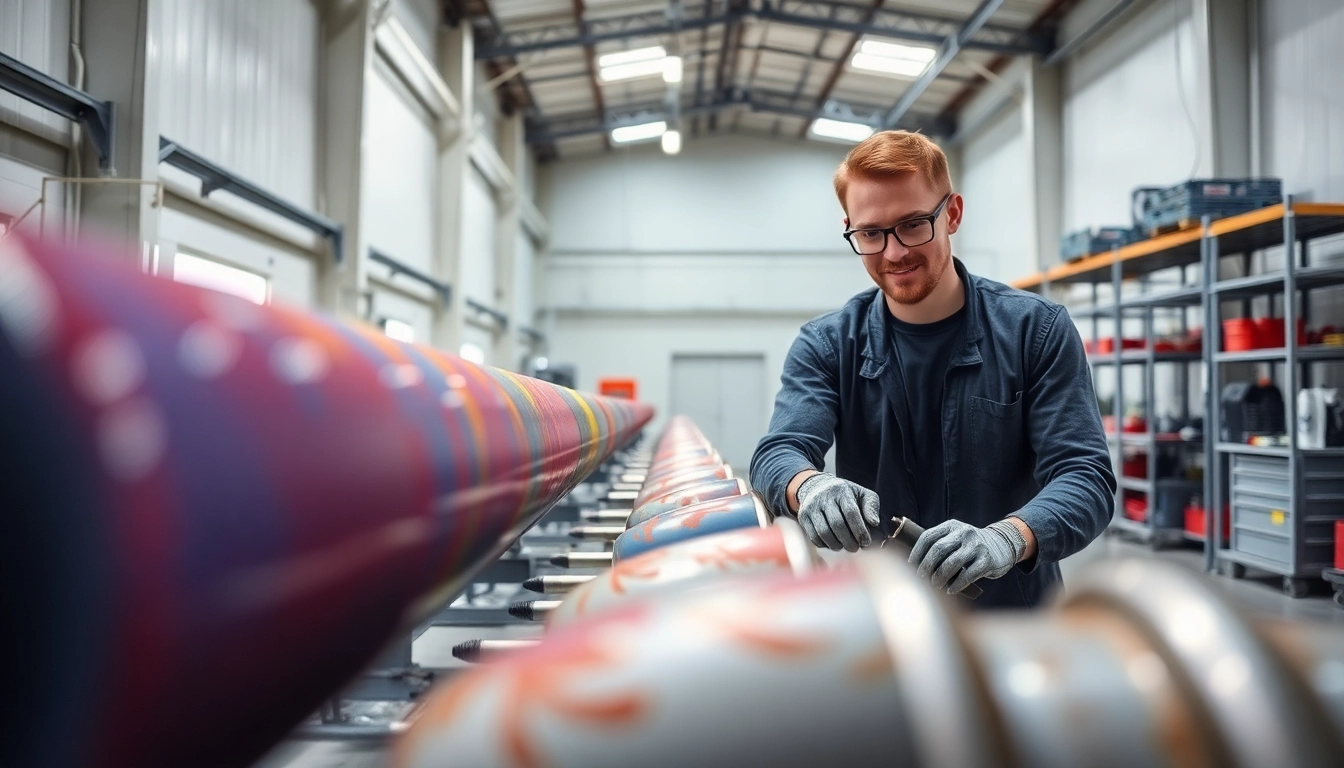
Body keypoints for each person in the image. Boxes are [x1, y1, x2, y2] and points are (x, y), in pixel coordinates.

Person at [749, 130, 1115, 609]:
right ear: (851, 229)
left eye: (915, 224)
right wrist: (808, 485)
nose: (894, 252)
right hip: (884, 618)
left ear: (953, 214)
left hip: (1015, 619)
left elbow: (1084, 475)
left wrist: (1007, 539)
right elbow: (779, 452)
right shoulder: (828, 344)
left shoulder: (1035, 331)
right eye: (870, 233)